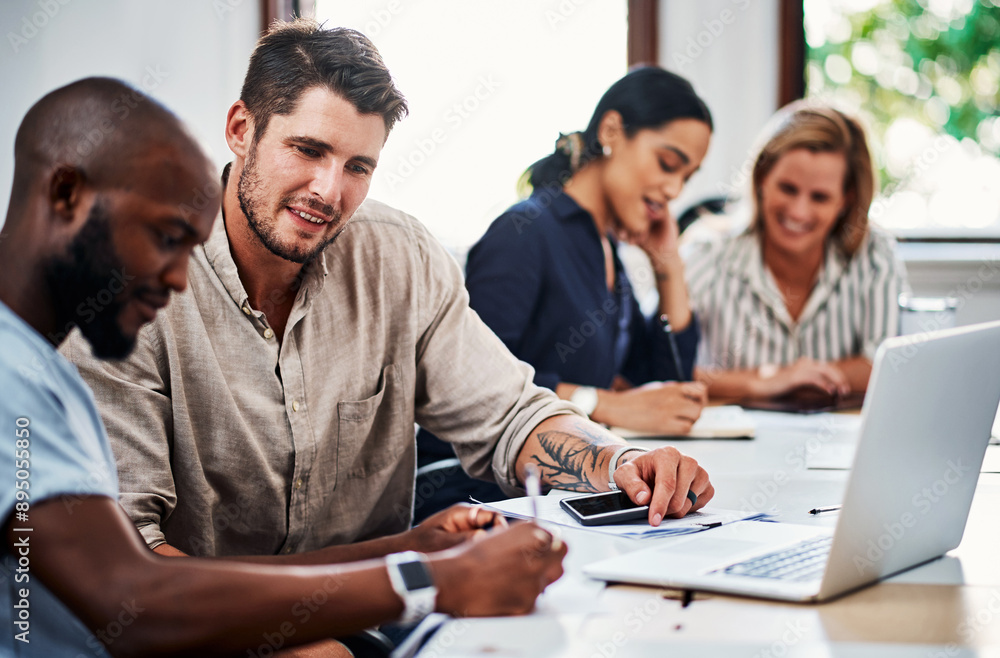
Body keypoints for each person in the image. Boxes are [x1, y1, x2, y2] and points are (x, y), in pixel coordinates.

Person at [61, 18, 714, 575]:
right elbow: (136, 567)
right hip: (214, 627)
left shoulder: (399, 257)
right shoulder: (137, 285)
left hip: (383, 606)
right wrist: (395, 572)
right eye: (307, 149)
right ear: (240, 128)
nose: (328, 190)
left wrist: (619, 461)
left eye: (358, 166)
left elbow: (509, 413)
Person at [0, 77, 565, 657]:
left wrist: (405, 553)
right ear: (67, 193)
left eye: (357, 166)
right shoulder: (13, 379)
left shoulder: (34, 368)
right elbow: (135, 599)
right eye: (165, 238)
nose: (177, 278)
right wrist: (429, 583)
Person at [416, 67, 714, 515]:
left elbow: (662, 380)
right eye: (668, 164)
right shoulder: (525, 232)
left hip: (565, 493)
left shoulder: (606, 247)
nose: (673, 190)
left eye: (686, 178)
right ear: (612, 130)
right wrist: (607, 405)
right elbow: (475, 387)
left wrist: (668, 265)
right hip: (475, 496)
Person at [684, 103, 909, 400]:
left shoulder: (875, 255)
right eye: (788, 189)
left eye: (819, 197)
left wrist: (810, 376)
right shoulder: (707, 253)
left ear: (846, 198)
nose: (799, 212)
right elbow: (656, 371)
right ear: (762, 178)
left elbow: (890, 361)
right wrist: (764, 380)